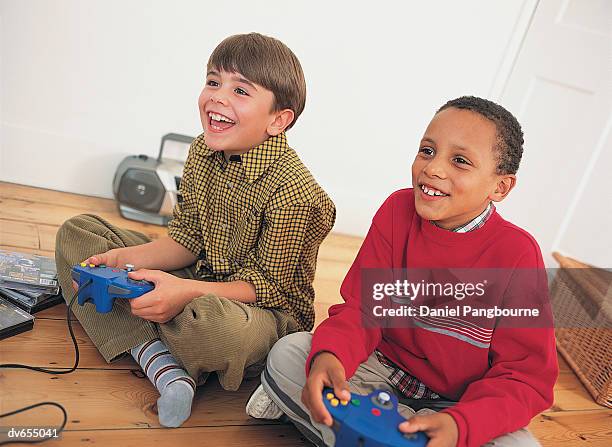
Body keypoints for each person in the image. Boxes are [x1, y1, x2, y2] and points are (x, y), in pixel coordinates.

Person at [55, 32, 335, 428]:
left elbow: (266, 287)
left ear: (278, 120)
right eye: (213, 81)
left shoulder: (297, 193)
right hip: (201, 274)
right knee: (77, 234)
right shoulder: (203, 150)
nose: (218, 97)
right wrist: (122, 260)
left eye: (241, 90)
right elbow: (187, 239)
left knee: (214, 331)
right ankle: (167, 367)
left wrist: (184, 291)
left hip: (261, 310)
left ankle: (142, 333)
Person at [246, 96, 558, 447]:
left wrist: (459, 424)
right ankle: (384, 434)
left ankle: (363, 432)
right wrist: (330, 357)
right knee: (289, 354)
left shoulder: (517, 254)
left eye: (459, 161)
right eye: (427, 151)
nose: (433, 169)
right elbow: (363, 309)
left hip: (457, 402)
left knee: (521, 446)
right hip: (380, 369)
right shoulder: (397, 210)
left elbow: (524, 376)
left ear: (499, 187)